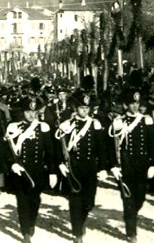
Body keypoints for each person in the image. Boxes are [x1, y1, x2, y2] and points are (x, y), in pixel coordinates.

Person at [56, 92, 113, 243]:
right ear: (75, 108)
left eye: (87, 108)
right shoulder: (67, 125)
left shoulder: (95, 124)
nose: (85, 111)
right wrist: (61, 163)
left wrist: (102, 168)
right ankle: (77, 232)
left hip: (90, 167)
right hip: (73, 167)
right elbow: (59, 148)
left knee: (89, 201)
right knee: (75, 200)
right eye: (82, 108)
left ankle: (81, 222)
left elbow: (102, 148)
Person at [4, 95, 58, 243]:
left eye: (34, 112)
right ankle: (25, 232)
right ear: (23, 112)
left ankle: (31, 222)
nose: (30, 115)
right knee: (22, 201)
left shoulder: (43, 127)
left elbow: (50, 151)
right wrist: (12, 164)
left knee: (35, 200)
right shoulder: (13, 127)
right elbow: (7, 150)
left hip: (38, 171)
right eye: (28, 112)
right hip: (19, 170)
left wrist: (53, 171)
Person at [109, 89, 154, 243]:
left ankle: (129, 215)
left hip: (142, 163)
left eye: (137, 103)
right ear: (125, 105)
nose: (135, 106)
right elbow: (112, 145)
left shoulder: (146, 120)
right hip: (126, 163)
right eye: (132, 103)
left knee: (141, 197)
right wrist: (113, 166)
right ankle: (131, 232)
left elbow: (153, 143)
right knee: (128, 197)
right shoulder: (119, 122)